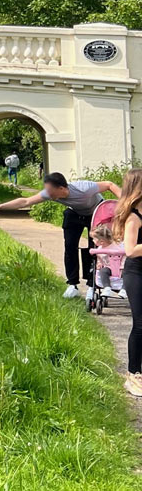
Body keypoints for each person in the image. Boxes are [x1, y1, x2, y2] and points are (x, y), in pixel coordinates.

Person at [0, 172, 122, 298]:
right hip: (74, 213)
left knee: (95, 248)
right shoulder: (50, 194)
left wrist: (125, 203)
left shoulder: (83, 188)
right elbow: (26, 201)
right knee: (69, 246)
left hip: (96, 212)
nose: (48, 195)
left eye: (51, 191)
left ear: (62, 188)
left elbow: (109, 184)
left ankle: (92, 284)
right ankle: (72, 285)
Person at [111, 168, 142, 397]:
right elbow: (130, 250)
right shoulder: (133, 218)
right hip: (136, 274)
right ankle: (133, 375)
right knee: (140, 325)